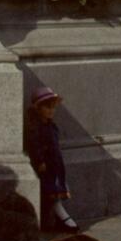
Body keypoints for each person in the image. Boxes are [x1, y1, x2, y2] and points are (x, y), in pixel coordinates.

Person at [24, 86, 78, 232]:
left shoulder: (51, 126)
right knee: (50, 192)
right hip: (46, 166)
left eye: (53, 107)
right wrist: (40, 160)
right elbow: (34, 145)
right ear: (38, 108)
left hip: (54, 165)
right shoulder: (35, 127)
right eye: (47, 107)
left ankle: (55, 220)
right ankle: (63, 219)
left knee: (54, 192)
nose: (51, 111)